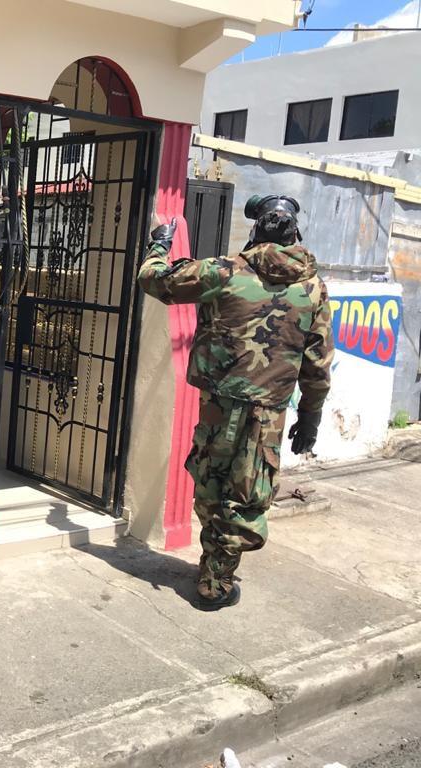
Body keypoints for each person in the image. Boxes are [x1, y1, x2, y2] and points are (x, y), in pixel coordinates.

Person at [137, 195, 334, 611]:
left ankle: (213, 574)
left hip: (220, 405)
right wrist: (310, 417)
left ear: (256, 230)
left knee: (211, 482)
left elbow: (155, 280)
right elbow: (317, 363)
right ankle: (215, 580)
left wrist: (160, 243)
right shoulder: (312, 287)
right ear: (295, 234)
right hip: (267, 413)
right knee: (246, 494)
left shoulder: (224, 271)